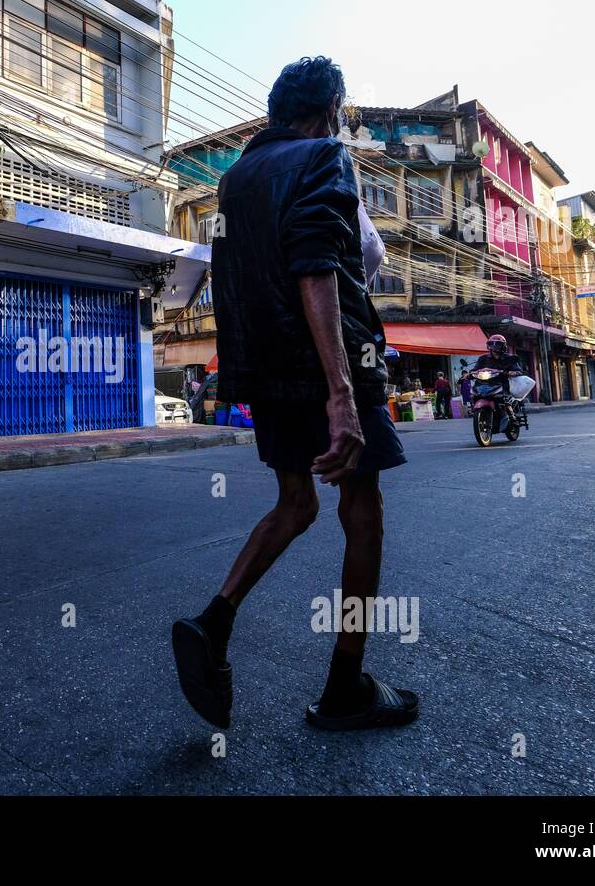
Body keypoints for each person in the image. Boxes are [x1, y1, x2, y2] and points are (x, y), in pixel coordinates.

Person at [171, 56, 416, 732]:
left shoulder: (235, 179)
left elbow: (233, 279)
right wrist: (340, 392)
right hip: (325, 364)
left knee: (296, 502)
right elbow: (315, 266)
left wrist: (245, 376)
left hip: (268, 373)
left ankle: (214, 620)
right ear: (328, 108)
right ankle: (346, 683)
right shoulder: (323, 156)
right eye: (339, 110)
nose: (340, 121)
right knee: (361, 510)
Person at [467, 335, 526, 423]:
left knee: (504, 398)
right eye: (492, 344)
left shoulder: (509, 358)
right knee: (474, 395)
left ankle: (511, 415)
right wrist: (469, 374)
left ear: (503, 346)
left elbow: (518, 370)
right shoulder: (483, 358)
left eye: (497, 344)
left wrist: (513, 372)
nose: (494, 347)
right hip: (483, 384)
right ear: (489, 346)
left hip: (502, 384)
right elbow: (475, 369)